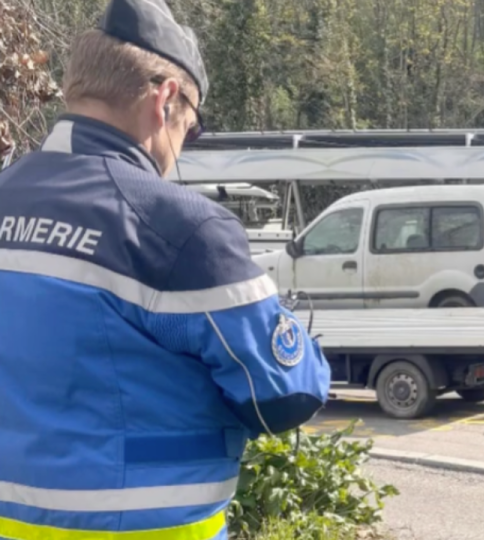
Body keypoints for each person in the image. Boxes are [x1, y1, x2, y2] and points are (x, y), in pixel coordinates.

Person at [0, 1, 331, 539]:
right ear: (166, 99)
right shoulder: (180, 229)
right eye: (192, 128)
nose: (182, 147)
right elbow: (283, 396)